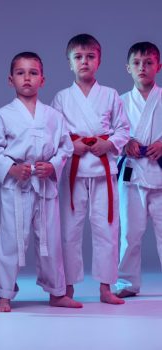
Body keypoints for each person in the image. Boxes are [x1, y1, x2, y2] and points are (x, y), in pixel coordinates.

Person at [0, 51, 82, 312]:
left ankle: (57, 292)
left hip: (45, 185)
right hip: (16, 186)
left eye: (33, 73)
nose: (27, 78)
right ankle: (4, 294)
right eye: (20, 73)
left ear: (43, 79)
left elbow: (65, 147)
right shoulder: (3, 114)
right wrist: (12, 168)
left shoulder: (53, 115)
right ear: (10, 80)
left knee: (51, 239)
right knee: (11, 239)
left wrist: (52, 166)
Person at [51, 34, 129, 304]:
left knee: (107, 229)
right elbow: (55, 132)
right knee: (69, 232)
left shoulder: (110, 95)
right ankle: (67, 287)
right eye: (78, 57)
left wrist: (107, 143)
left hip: (103, 172)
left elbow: (123, 129)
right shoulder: (61, 98)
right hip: (74, 171)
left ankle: (106, 288)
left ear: (99, 60)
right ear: (69, 63)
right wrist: (74, 144)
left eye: (90, 56)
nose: (84, 61)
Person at [116, 42, 162, 298]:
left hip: (159, 171)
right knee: (130, 234)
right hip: (132, 174)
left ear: (158, 66)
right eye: (137, 63)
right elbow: (112, 134)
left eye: (148, 62)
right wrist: (125, 143)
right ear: (128, 68)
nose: (142, 67)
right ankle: (126, 283)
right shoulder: (120, 102)